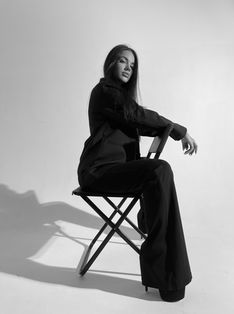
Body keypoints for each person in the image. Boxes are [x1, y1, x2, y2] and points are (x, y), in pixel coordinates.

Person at [77, 44, 198, 302]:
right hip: (98, 170)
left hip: (114, 170)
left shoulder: (118, 98)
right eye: (123, 61)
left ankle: (150, 228)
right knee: (159, 170)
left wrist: (164, 131)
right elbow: (136, 115)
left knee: (156, 171)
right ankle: (167, 277)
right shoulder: (105, 92)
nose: (128, 68)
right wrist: (178, 130)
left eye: (132, 66)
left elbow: (138, 120)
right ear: (111, 63)